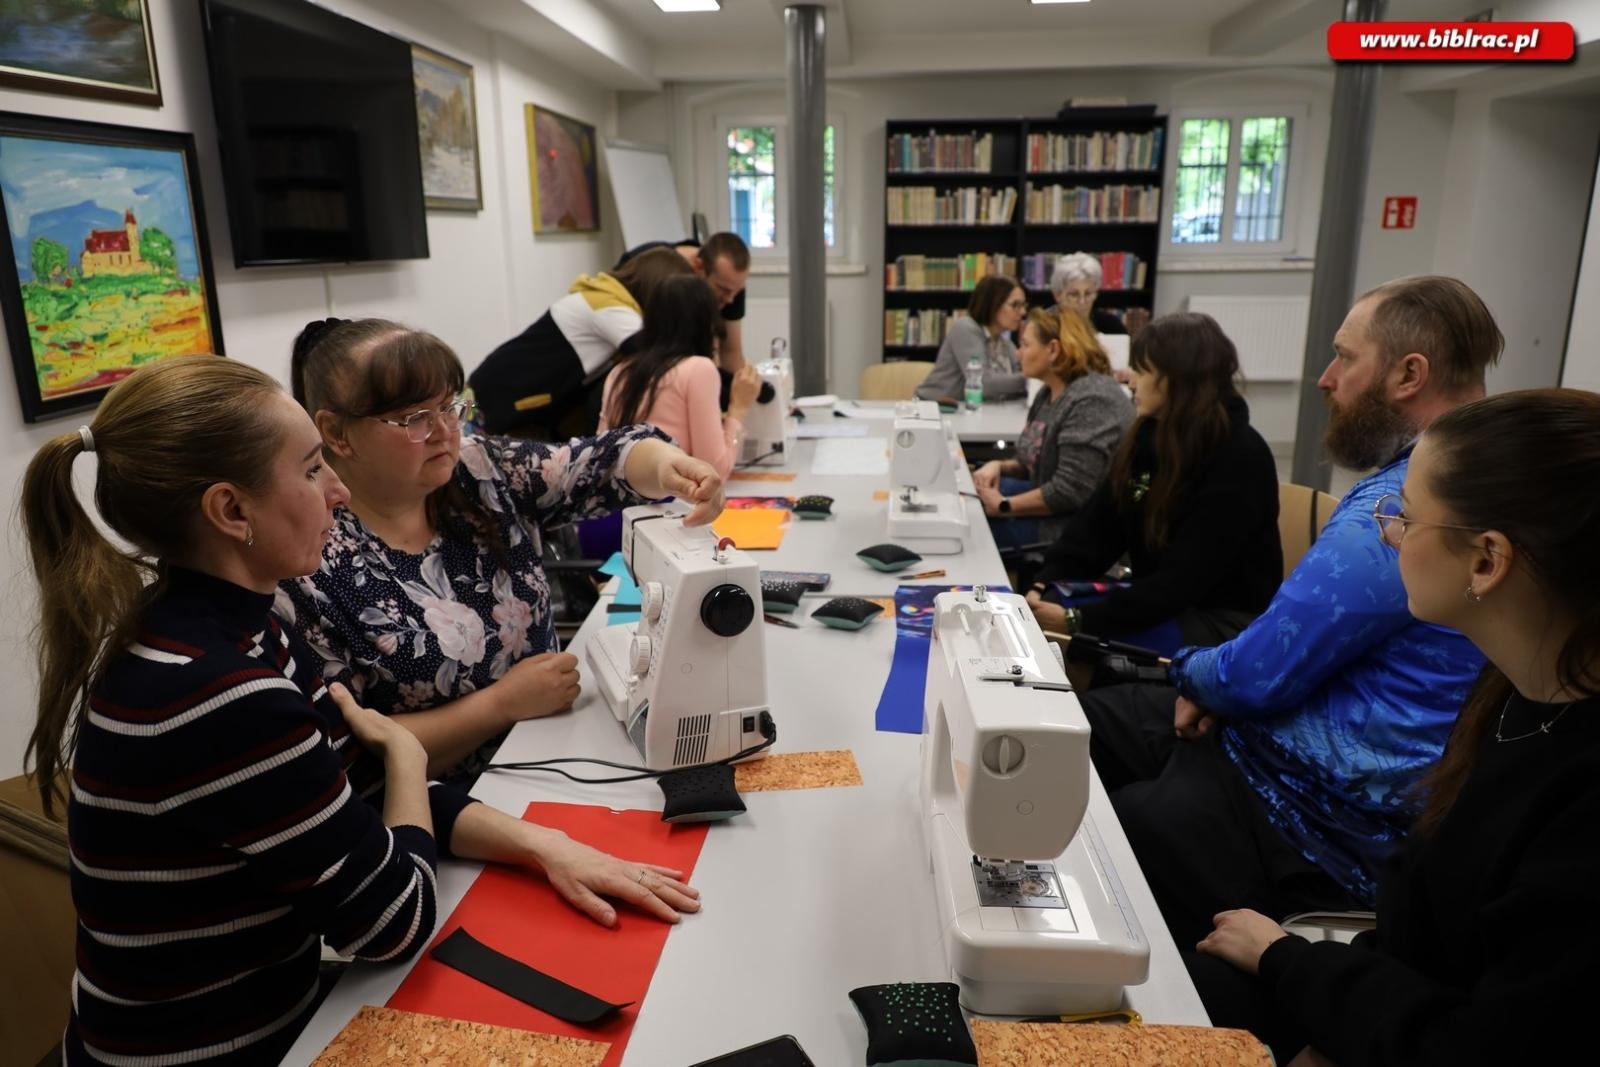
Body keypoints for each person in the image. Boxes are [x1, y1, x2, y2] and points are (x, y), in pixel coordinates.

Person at [22, 357, 699, 1066]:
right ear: (231, 510)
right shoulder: (223, 690)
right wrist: (406, 756)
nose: (338, 494)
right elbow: (394, 919)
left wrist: (546, 846)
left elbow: (351, 787)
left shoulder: (235, 625)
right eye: (313, 470)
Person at [1073, 276, 1504, 959]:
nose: (1325, 378)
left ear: (1408, 374)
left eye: (1344, 357)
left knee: (1117, 823)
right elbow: (1271, 664)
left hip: (1314, 817)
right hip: (1281, 744)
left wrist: (1205, 683)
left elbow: (1256, 674)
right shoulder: (1467, 476)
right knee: (1079, 731)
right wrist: (1223, 689)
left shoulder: (1405, 509)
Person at [1192, 388, 1600, 1067]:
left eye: (1404, 516)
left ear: (1486, 560)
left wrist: (1292, 965)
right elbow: (1424, 925)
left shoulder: (1579, 803)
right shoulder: (1510, 693)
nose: (1388, 531)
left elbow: (1478, 1041)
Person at [284, 318, 726, 785]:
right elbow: (350, 751)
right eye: (415, 419)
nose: (443, 431)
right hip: (450, 812)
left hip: (562, 756)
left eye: (451, 407)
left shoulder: (479, 469)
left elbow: (601, 461)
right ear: (336, 434)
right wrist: (501, 705)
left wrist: (669, 466)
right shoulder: (311, 560)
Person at [1021, 311, 1279, 652]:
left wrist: (1079, 620)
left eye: (1142, 371)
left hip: (1223, 625)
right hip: (1167, 602)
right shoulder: (1150, 436)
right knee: (1047, 609)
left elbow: (1181, 583)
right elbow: (1098, 528)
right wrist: (1043, 582)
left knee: (1073, 640)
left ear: (1177, 380)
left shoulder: (1238, 456)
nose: (1130, 381)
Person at [469, 247, 694, 436]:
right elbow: (657, 355)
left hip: (504, 390)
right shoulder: (610, 307)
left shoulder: (608, 298)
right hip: (497, 393)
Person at [972, 307, 1132, 550]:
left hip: (1075, 528)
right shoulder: (1050, 392)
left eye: (1025, 345)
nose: (1018, 353)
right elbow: (1035, 462)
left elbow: (1070, 491)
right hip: (1054, 511)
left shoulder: (1093, 400)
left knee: (972, 532)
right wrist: (999, 466)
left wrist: (1004, 505)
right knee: (970, 500)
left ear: (1053, 349)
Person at [598, 274, 762, 480]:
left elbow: (601, 454)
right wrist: (739, 408)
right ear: (706, 323)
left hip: (624, 505)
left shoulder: (620, 371)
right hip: (673, 504)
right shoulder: (699, 369)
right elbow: (713, 472)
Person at [614, 232, 753, 371]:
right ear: (698, 266)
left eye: (738, 290)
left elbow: (730, 352)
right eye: (723, 289)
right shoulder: (650, 266)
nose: (730, 299)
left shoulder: (730, 282)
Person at [913, 275, 1028, 404]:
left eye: (1024, 305)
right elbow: (984, 384)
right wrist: (1032, 379)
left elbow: (1018, 381)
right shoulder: (965, 328)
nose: (1023, 312)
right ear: (992, 304)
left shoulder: (1004, 343)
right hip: (932, 410)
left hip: (969, 413)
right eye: (1015, 305)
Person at [1051, 251, 1150, 338]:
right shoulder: (1044, 327)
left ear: (1096, 293)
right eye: (1074, 294)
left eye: (1088, 293)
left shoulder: (1111, 325)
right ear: (1058, 295)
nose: (1082, 301)